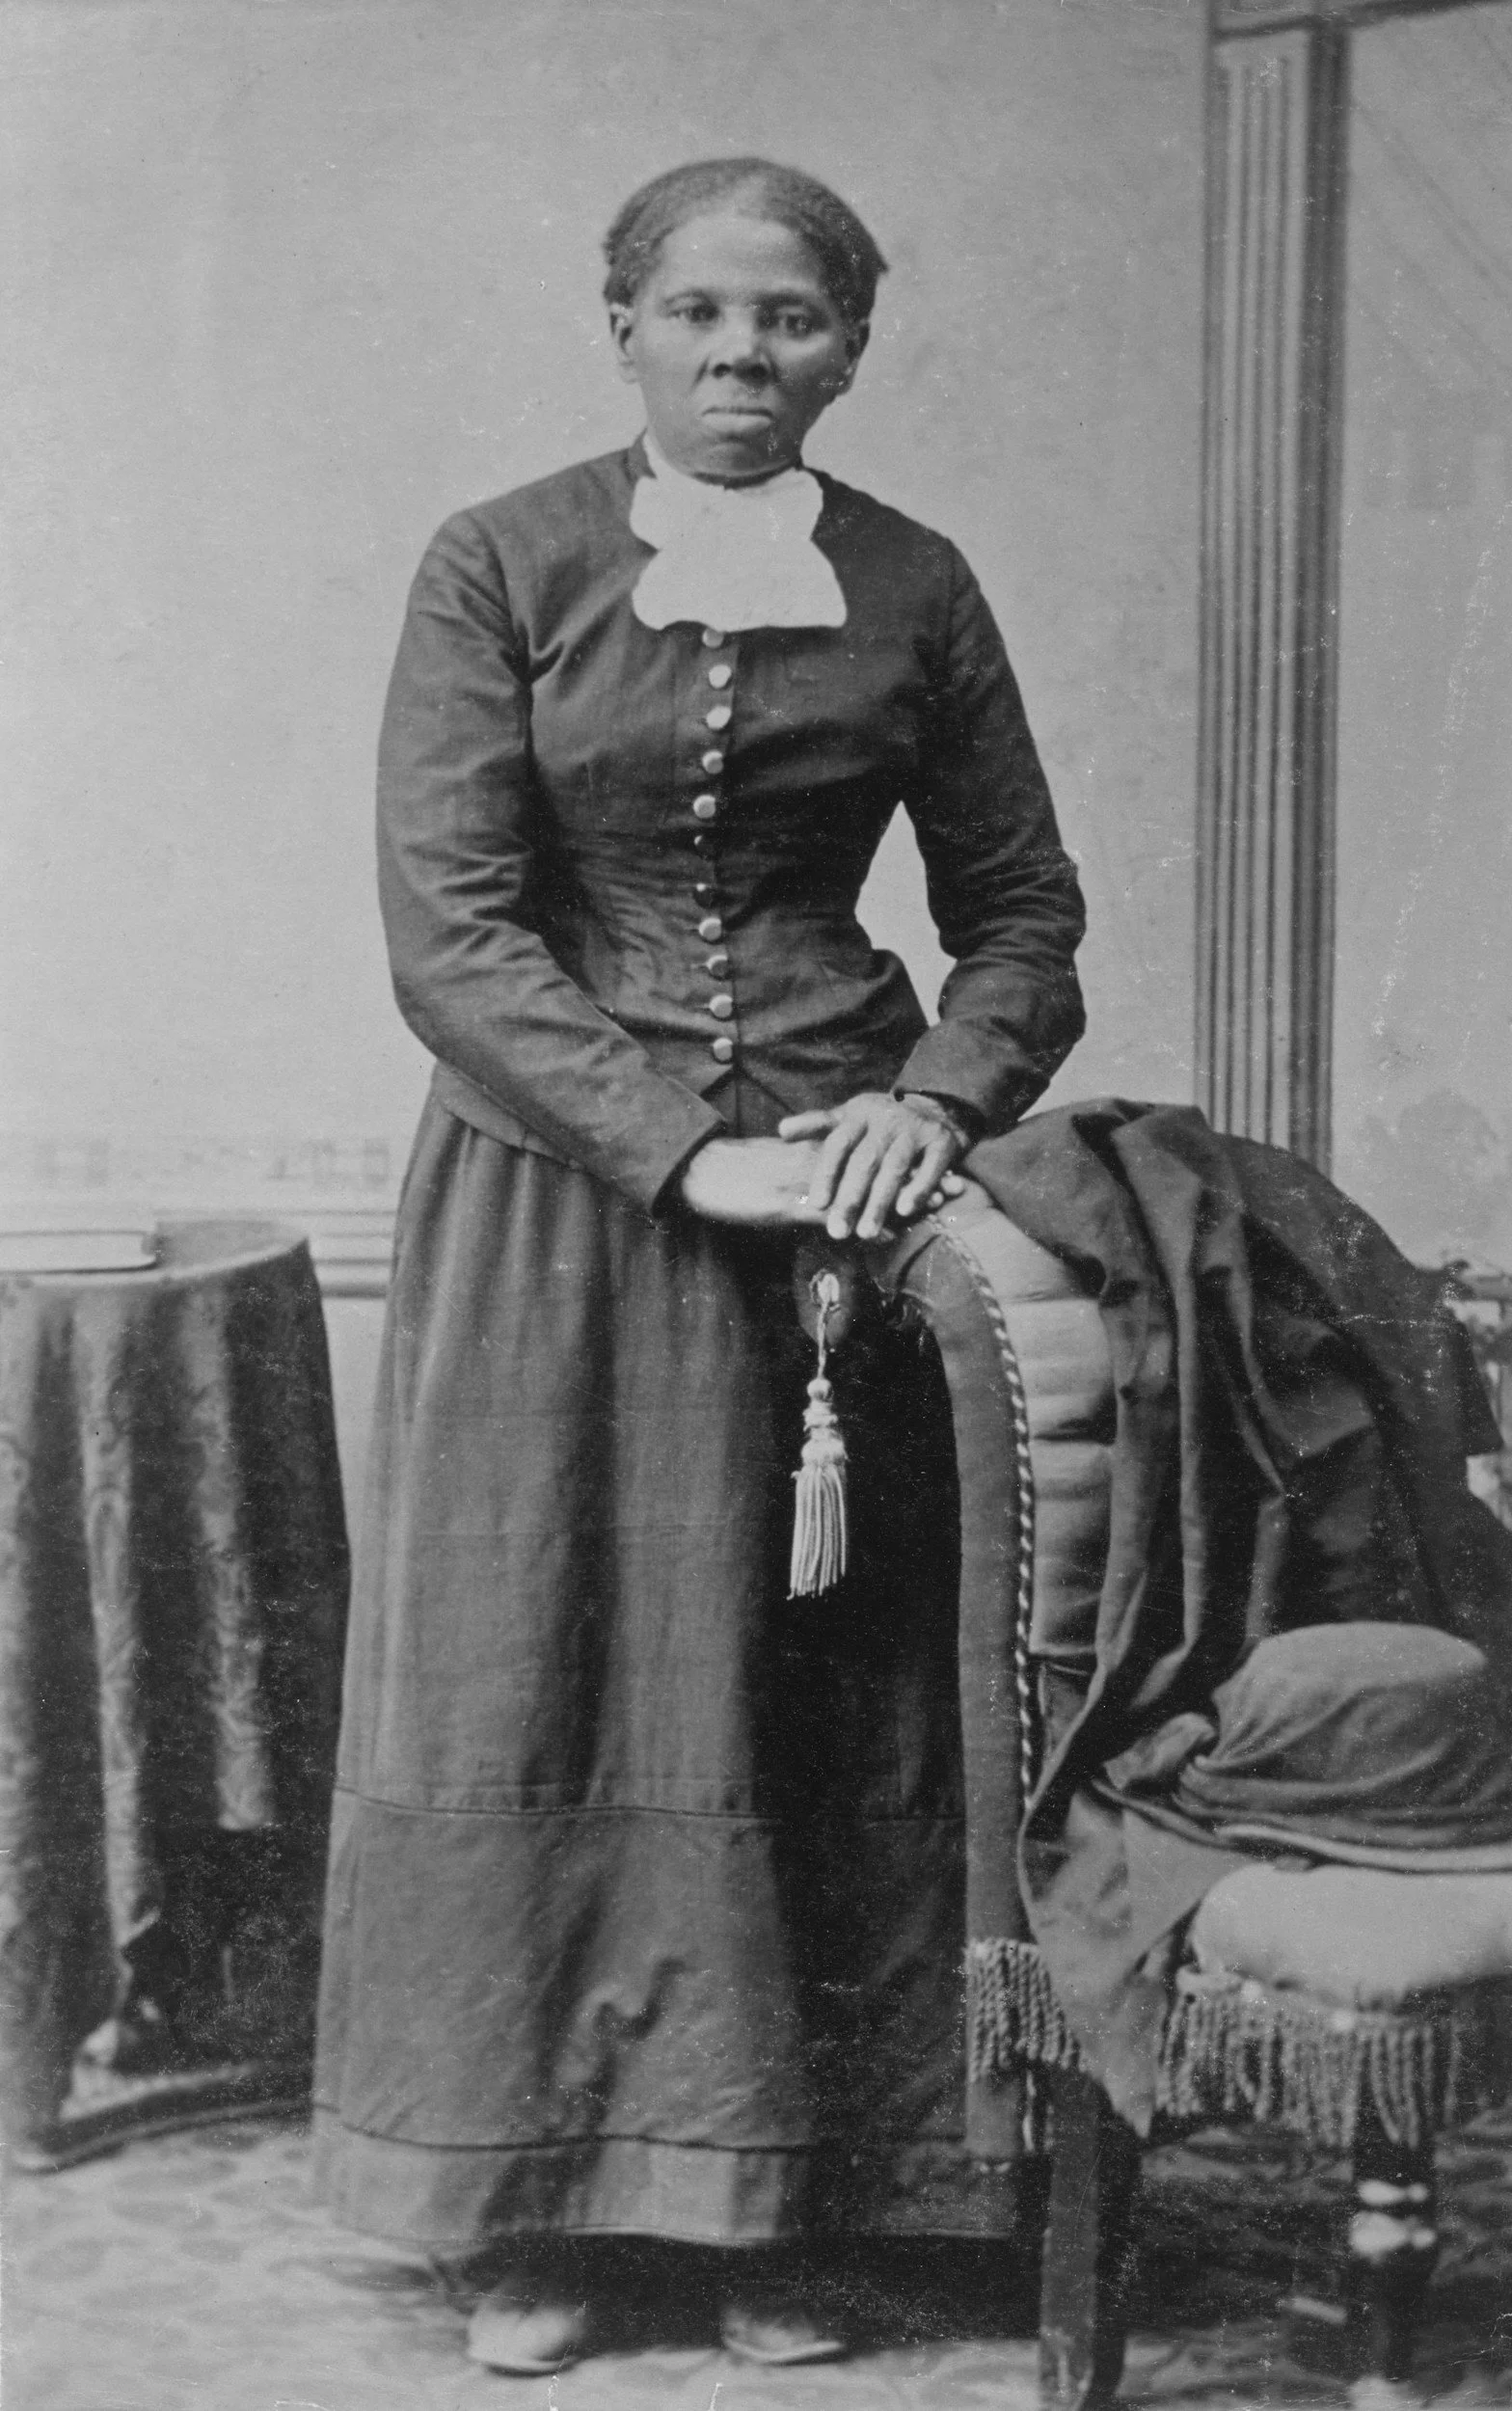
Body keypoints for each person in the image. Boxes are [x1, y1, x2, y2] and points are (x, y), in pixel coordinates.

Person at [312, 155, 1087, 2373]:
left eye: (791, 319)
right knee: (542, 1665)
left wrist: (928, 1100)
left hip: (841, 1210)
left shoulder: (914, 580)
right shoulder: (502, 560)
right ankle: (535, 2210)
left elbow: (1023, 915)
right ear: (625, 328)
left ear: (851, 344)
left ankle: (788, 2200)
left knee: (811, 1673)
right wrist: (679, 1153)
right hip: (555, 1201)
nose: (744, 356)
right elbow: (453, 932)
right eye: (699, 314)